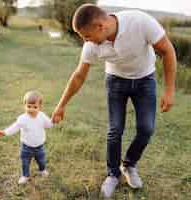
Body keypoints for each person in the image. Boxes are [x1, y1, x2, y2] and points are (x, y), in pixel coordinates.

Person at [51, 4, 176, 198]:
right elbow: (78, 76)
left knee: (146, 128)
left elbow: (168, 51)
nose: (85, 41)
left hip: (145, 80)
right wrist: (61, 105)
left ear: (100, 26)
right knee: (115, 129)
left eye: (86, 36)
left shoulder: (140, 22)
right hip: (116, 81)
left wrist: (169, 91)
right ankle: (113, 174)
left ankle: (129, 165)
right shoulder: (92, 45)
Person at [0, 91, 53, 185]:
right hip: (26, 147)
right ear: (24, 106)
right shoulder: (23, 118)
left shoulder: (42, 116)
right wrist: (5, 132)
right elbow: (15, 127)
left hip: (39, 147)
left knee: (42, 161)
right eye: (29, 106)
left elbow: (49, 125)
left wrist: (53, 120)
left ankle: (42, 170)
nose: (31, 109)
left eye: (35, 107)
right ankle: (25, 175)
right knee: (25, 163)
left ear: (40, 107)